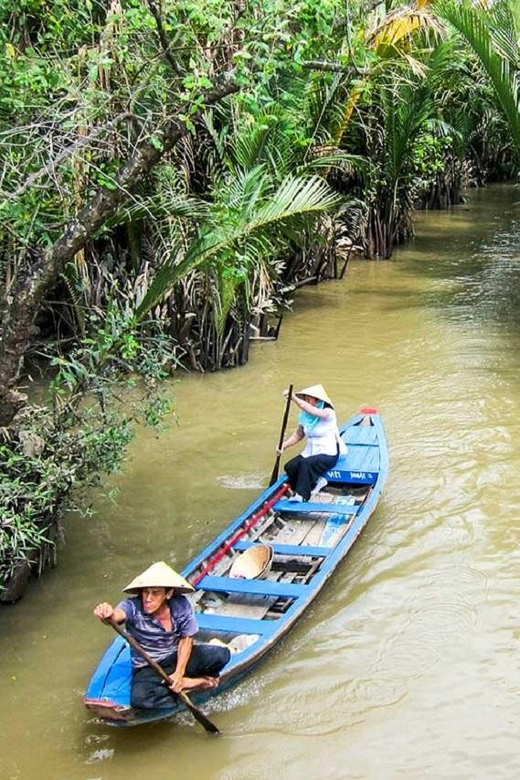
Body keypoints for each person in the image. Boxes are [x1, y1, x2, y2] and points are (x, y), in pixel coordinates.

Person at [93, 561, 230, 709]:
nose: (148, 598)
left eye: (156, 593)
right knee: (140, 699)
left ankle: (192, 682)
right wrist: (108, 614)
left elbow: (186, 639)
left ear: (168, 594)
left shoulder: (180, 605)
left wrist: (179, 674)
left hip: (176, 657)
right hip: (149, 666)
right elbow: (116, 616)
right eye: (146, 592)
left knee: (221, 655)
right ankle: (201, 683)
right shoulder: (132, 606)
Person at [277, 384, 346, 502]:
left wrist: (293, 398)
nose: (306, 401)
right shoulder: (305, 416)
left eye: (309, 399)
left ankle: (302, 495)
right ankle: (314, 483)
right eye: (305, 399)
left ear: (318, 400)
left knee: (305, 464)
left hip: (328, 453)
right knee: (290, 467)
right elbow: (298, 435)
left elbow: (311, 410)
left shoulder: (327, 412)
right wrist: (284, 445)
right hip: (311, 452)